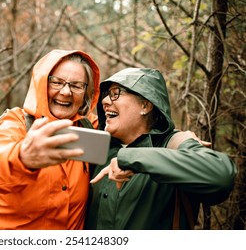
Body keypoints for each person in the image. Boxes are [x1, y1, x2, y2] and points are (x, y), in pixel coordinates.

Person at [85, 67, 237, 230]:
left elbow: (221, 176)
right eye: (106, 94)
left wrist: (132, 158)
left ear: (145, 105)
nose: (105, 101)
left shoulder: (173, 145)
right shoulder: (98, 146)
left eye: (115, 93)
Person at [0, 49, 101, 229]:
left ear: (86, 93)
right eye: (56, 82)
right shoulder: (17, 122)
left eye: (77, 85)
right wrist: (22, 157)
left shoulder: (90, 128)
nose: (66, 92)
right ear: (41, 84)